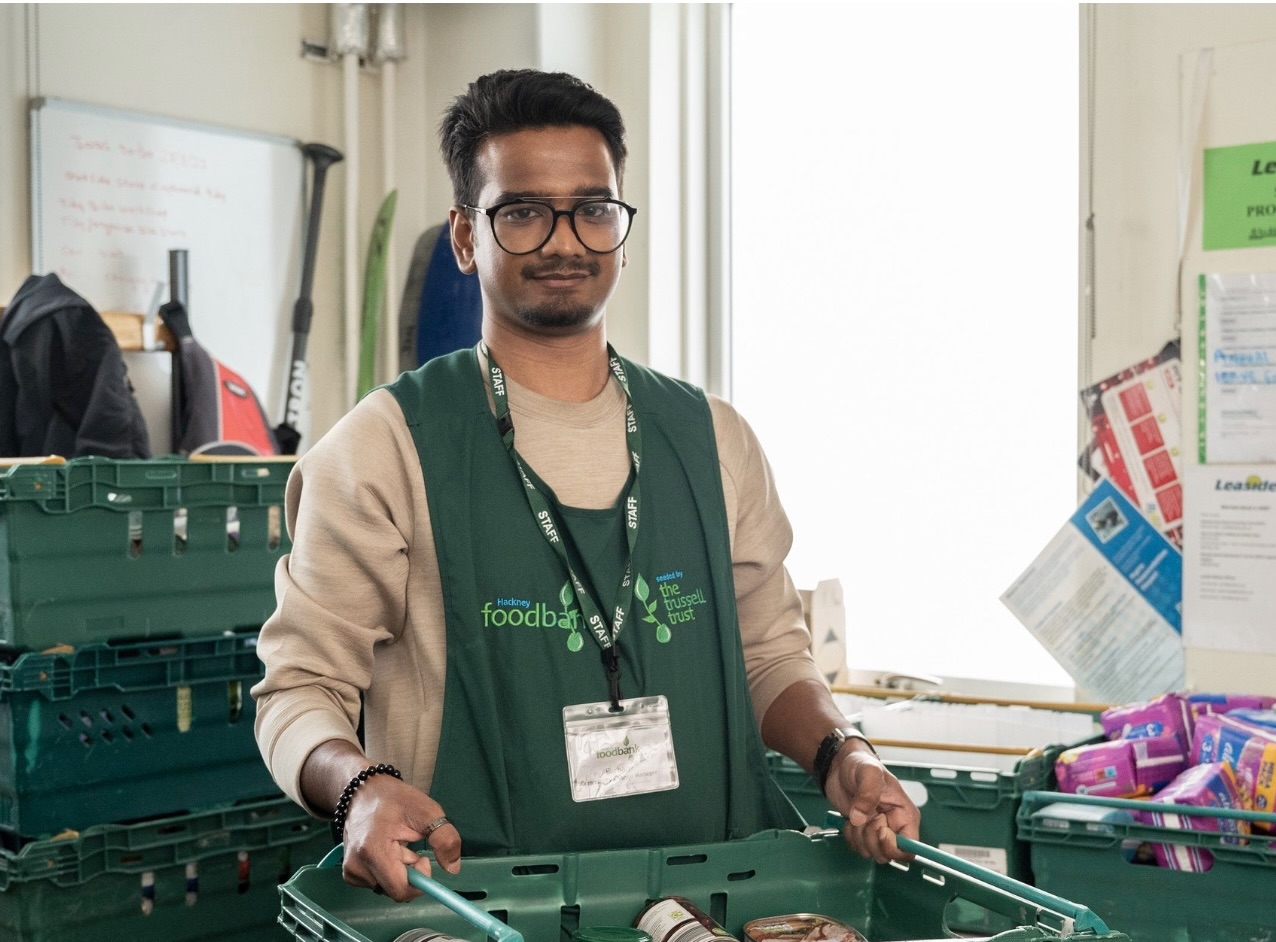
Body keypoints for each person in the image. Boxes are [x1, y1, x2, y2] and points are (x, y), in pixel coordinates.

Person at [252, 69, 919, 903]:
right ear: (466, 237)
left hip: (714, 900)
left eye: (593, 210)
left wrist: (840, 752)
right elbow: (298, 690)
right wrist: (359, 790)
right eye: (523, 212)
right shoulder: (385, 448)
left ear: (621, 229)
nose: (563, 241)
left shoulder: (712, 439)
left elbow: (769, 654)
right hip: (480, 905)